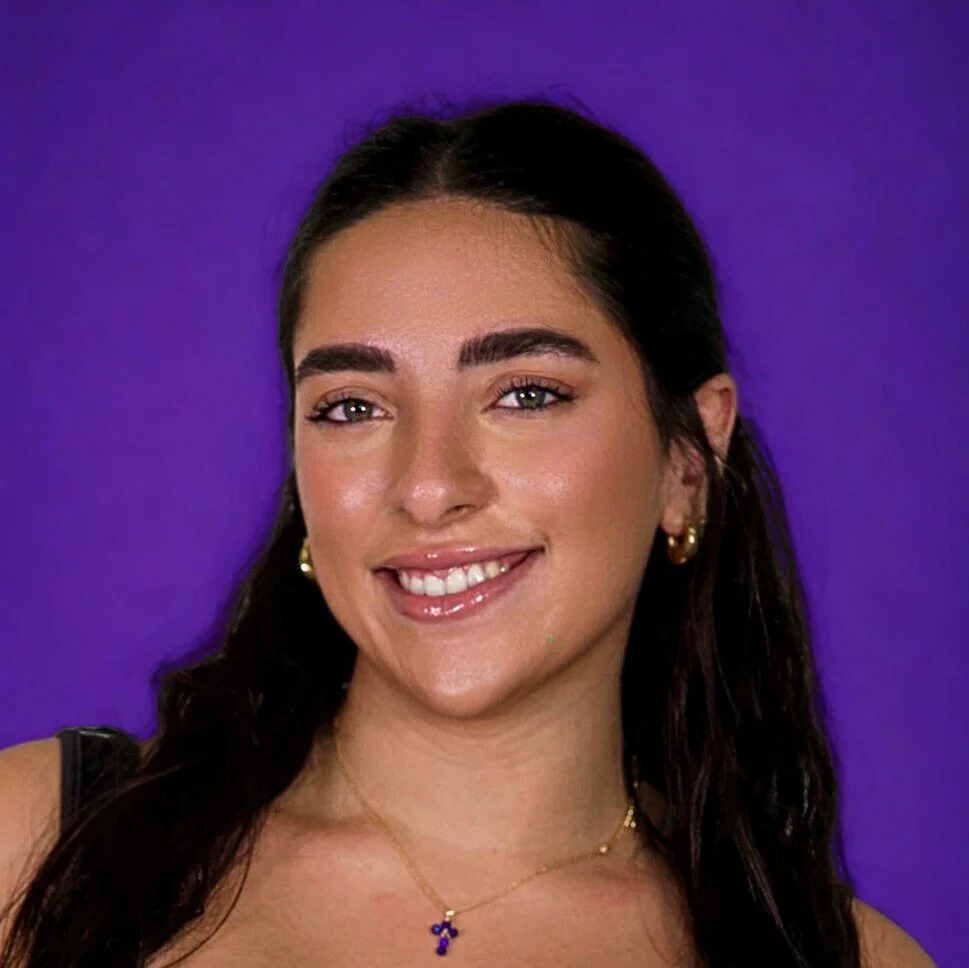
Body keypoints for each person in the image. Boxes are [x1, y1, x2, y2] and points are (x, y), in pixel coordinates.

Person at [0, 98, 935, 968]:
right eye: (353, 406)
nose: (429, 485)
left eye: (526, 395)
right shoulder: (33, 845)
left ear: (687, 462)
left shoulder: (841, 957)